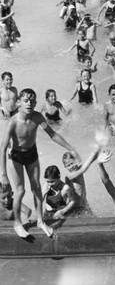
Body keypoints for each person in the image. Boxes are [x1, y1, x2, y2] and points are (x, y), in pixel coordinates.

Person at [0, 88, 79, 238]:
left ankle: (40, 221)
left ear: (36, 102)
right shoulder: (13, 122)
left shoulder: (37, 117)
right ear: (19, 103)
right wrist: (3, 175)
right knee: (20, 190)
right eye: (25, 100)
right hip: (15, 156)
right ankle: (17, 223)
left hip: (31, 154)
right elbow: (3, 148)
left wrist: (71, 149)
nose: (29, 103)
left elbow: (53, 135)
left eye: (31, 101)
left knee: (36, 188)